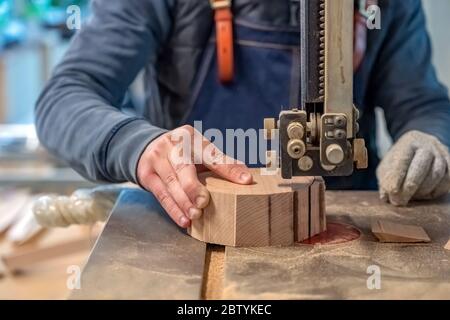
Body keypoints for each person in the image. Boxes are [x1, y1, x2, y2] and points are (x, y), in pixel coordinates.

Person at [35, 0, 450, 229]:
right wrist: (138, 145)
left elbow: (423, 105)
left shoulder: (385, 5)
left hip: (339, 226)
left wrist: (430, 141)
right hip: (195, 224)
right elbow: (65, 96)